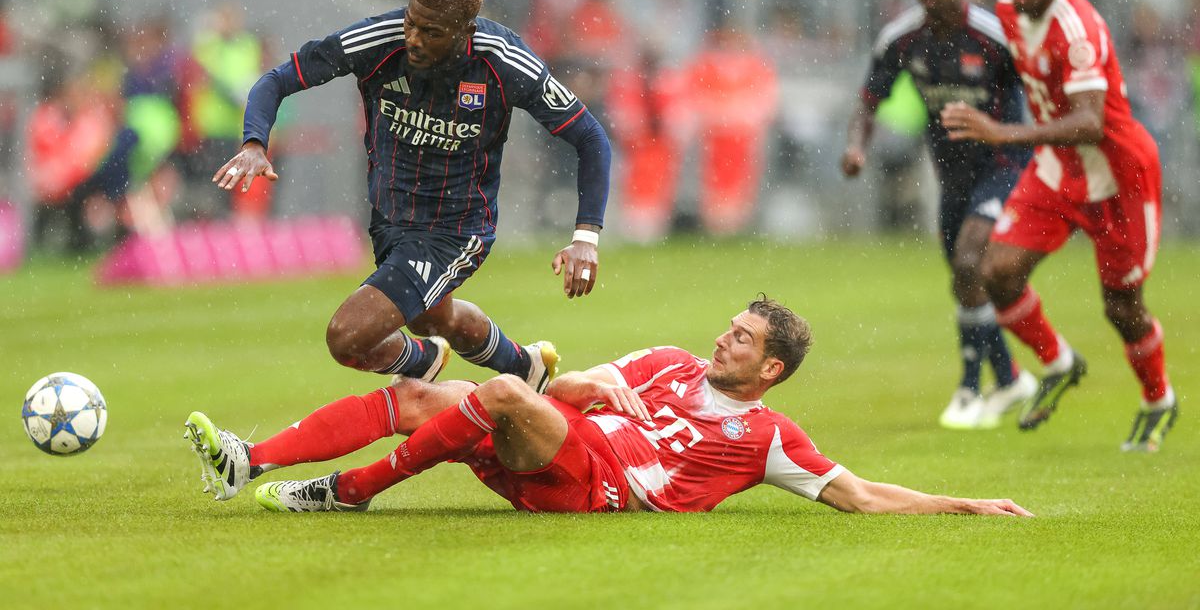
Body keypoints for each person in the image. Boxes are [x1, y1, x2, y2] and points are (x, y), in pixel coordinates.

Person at [184, 296, 1032, 517]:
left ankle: (355, 489)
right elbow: (567, 385)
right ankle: (248, 463)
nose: (723, 340)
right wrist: (579, 383)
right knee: (417, 394)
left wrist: (965, 502)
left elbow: (861, 494)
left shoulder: (766, 436)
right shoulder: (666, 361)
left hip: (594, 485)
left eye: (742, 340)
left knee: (500, 391)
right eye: (730, 328)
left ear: (771, 369)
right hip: (560, 435)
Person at [213, 0, 611, 389]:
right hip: (390, 218)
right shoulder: (377, 40)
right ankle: (525, 368)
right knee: (435, 317)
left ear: (466, 31)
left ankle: (420, 363)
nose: (414, 40)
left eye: (432, 32)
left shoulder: (503, 60)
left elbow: (590, 137)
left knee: (347, 337)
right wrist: (254, 143)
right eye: (411, 23)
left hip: (455, 228)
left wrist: (585, 238)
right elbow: (278, 80)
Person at [941, 0, 1178, 451]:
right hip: (1057, 169)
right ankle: (1059, 363)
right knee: (996, 272)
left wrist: (1001, 133)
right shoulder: (1005, 6)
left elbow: (1091, 122)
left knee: (1122, 308)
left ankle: (1158, 398)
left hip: (1118, 178)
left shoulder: (1078, 29)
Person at [842, 0, 1036, 430]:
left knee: (971, 262)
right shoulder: (903, 38)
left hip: (1003, 165)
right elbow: (868, 100)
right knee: (963, 279)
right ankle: (1010, 378)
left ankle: (971, 387)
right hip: (950, 174)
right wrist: (856, 148)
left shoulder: (994, 36)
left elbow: (1038, 90)